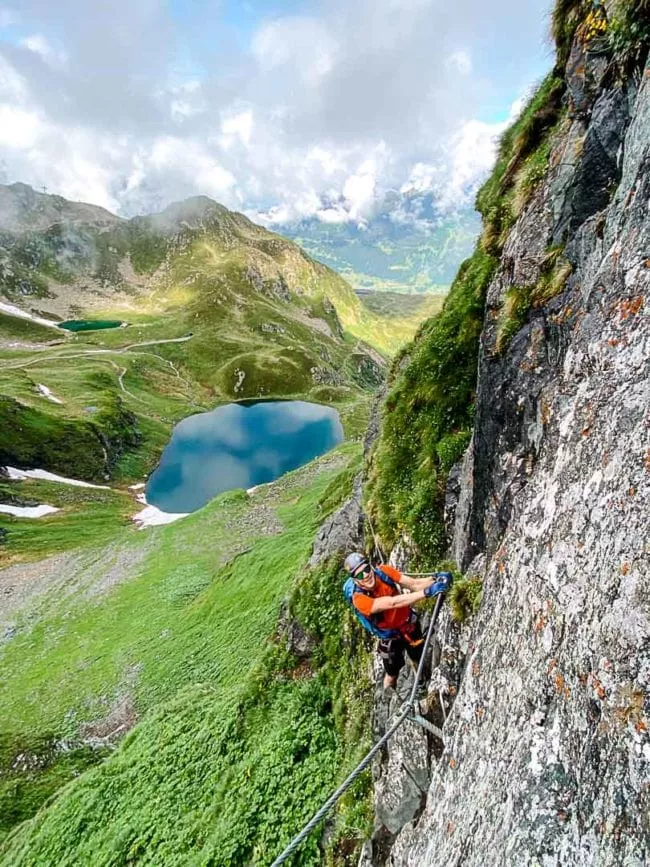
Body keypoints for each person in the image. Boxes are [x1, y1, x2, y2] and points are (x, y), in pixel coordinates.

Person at [343, 552, 451, 691]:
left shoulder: (384, 572)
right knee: (391, 674)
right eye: (359, 575)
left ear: (371, 566)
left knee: (417, 657)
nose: (365, 575)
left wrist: (435, 579)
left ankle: (420, 682)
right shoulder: (359, 599)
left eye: (367, 569)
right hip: (390, 638)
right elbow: (392, 603)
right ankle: (389, 694)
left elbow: (414, 584)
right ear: (355, 580)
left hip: (408, 625)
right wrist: (427, 592)